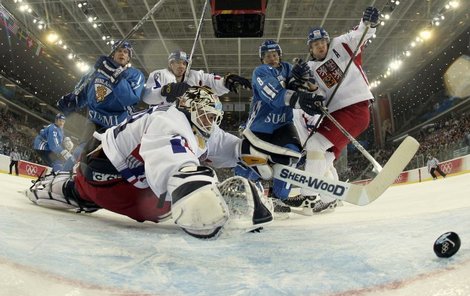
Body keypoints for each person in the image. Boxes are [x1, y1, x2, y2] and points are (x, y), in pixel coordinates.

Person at [26, 86, 273, 239]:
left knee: (162, 198)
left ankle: (72, 189)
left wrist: (259, 152)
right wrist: (200, 194)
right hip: (111, 181)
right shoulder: (170, 122)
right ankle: (74, 190)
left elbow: (224, 144)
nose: (210, 123)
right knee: (174, 196)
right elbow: (173, 163)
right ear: (190, 108)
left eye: (214, 118)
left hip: (98, 171)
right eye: (207, 116)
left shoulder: (184, 120)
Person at [296, 6, 380, 208]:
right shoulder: (311, 69)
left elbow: (362, 31)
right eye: (315, 44)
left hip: (355, 108)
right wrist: (310, 96)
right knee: (324, 155)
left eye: (323, 42)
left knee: (315, 144)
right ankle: (329, 199)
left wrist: (370, 21)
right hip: (337, 115)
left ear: (328, 41)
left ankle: (307, 196)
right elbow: (318, 95)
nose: (320, 46)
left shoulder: (341, 44)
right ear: (310, 48)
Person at [239, 39, 324, 214]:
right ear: (262, 58)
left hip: (284, 124)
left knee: (292, 155)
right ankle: (240, 193)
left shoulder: (286, 68)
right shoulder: (260, 72)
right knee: (255, 166)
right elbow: (275, 95)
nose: (272, 58)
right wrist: (298, 98)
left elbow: (296, 85)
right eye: (268, 55)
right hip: (259, 128)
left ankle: (279, 197)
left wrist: (305, 78)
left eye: (275, 54)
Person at [57, 40, 145, 134]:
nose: (122, 54)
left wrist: (113, 75)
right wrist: (73, 102)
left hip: (119, 126)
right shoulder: (96, 72)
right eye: (119, 51)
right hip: (94, 124)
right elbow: (84, 93)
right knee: (85, 148)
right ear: (113, 54)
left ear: (128, 58)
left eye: (125, 52)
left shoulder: (135, 75)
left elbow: (130, 100)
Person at [142, 49, 252, 106]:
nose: (181, 66)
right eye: (177, 63)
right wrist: (164, 91)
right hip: (161, 118)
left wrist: (225, 82)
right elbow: (147, 96)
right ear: (170, 64)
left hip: (185, 119)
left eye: (184, 63)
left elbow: (211, 81)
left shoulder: (194, 76)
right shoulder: (159, 74)